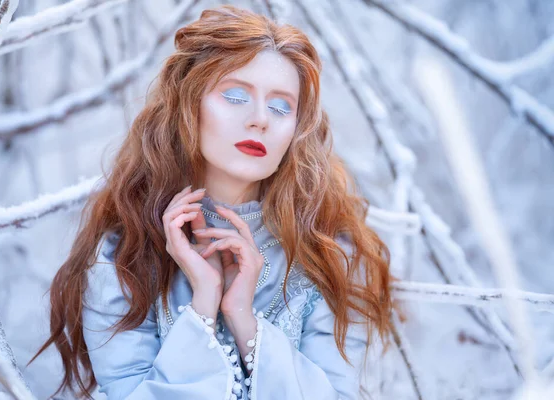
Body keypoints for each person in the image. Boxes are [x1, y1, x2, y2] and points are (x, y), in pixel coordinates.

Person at [29, 5, 393, 400]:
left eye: (280, 106)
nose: (260, 119)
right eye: (235, 96)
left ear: (297, 130)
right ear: (189, 105)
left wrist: (243, 320)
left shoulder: (329, 256)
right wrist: (203, 303)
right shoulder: (124, 255)